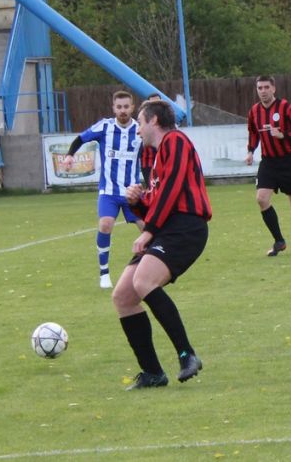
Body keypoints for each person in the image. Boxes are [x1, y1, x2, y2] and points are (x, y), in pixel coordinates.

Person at [113, 100, 212, 390]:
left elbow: (173, 190)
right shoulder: (156, 156)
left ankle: (187, 355)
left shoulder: (175, 141)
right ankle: (153, 373)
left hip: (186, 228)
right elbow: (159, 200)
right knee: (123, 296)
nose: (138, 129)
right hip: (168, 229)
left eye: (140, 123)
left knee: (144, 281)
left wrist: (148, 231)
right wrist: (139, 202)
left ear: (154, 121)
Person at [63, 91, 144, 289]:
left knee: (148, 230)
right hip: (108, 191)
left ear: (132, 108)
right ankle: (104, 273)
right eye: (119, 107)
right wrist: (69, 156)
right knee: (106, 224)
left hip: (132, 193)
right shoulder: (105, 127)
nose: (123, 110)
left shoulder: (140, 130)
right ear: (113, 108)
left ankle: (145, 270)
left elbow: (152, 156)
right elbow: (80, 139)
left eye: (126, 107)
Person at [245, 75, 291, 256]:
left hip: (289, 161)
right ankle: (279, 241)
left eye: (266, 87)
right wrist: (251, 151)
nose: (263, 91)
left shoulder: (287, 108)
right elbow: (253, 132)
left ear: (274, 88)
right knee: (261, 198)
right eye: (260, 88)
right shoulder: (254, 111)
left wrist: (284, 135)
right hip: (268, 162)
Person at [139, 93, 162, 186]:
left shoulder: (167, 120)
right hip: (148, 162)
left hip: (162, 160)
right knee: (152, 188)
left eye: (158, 102)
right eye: (153, 103)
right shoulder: (143, 120)